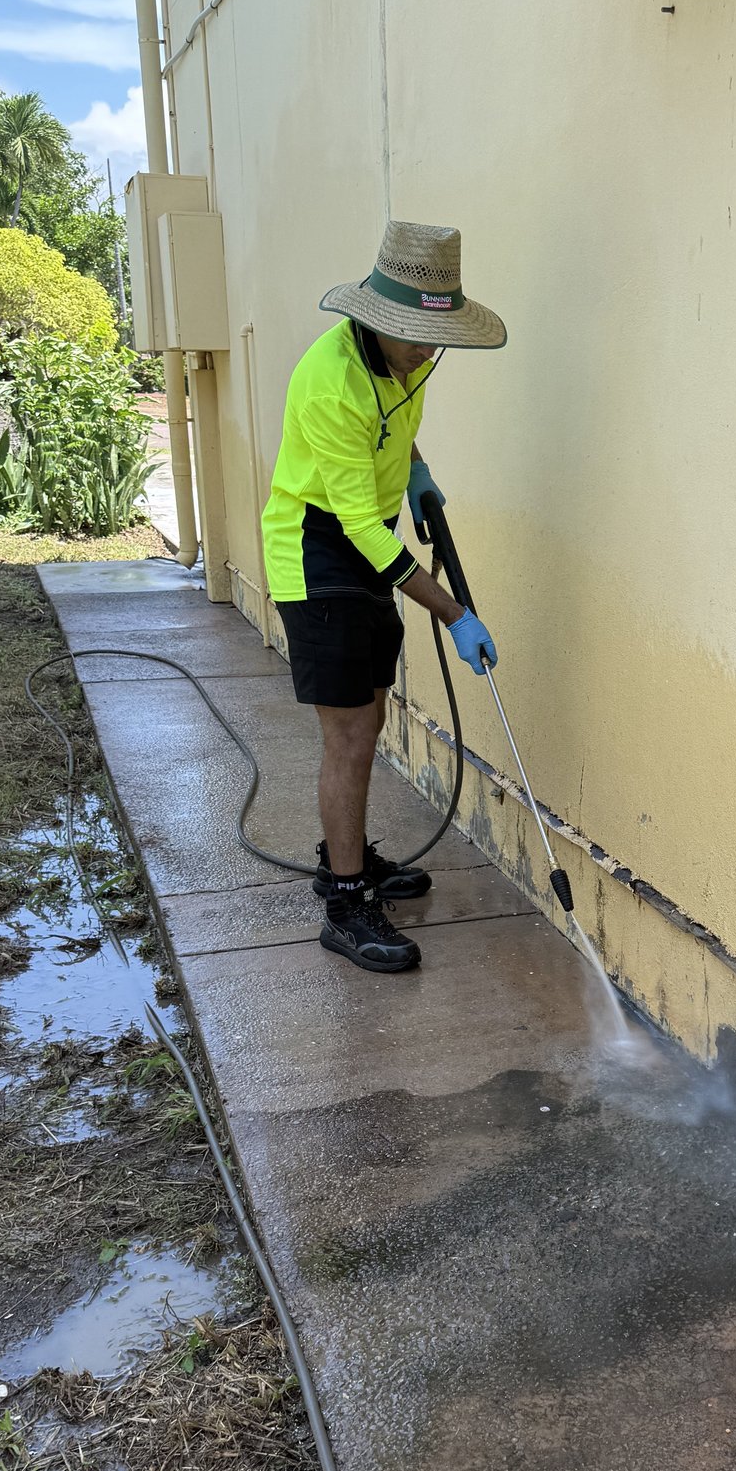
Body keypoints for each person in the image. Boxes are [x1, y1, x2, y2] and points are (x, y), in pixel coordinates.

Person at [261, 220, 505, 973]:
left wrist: (419, 474)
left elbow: (394, 433)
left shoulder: (403, 366)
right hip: (319, 551)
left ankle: (353, 857)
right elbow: (361, 529)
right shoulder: (331, 382)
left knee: (368, 713)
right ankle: (344, 899)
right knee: (350, 734)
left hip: (368, 544)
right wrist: (455, 613)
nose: (428, 352)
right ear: (375, 319)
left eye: (435, 339)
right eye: (415, 338)